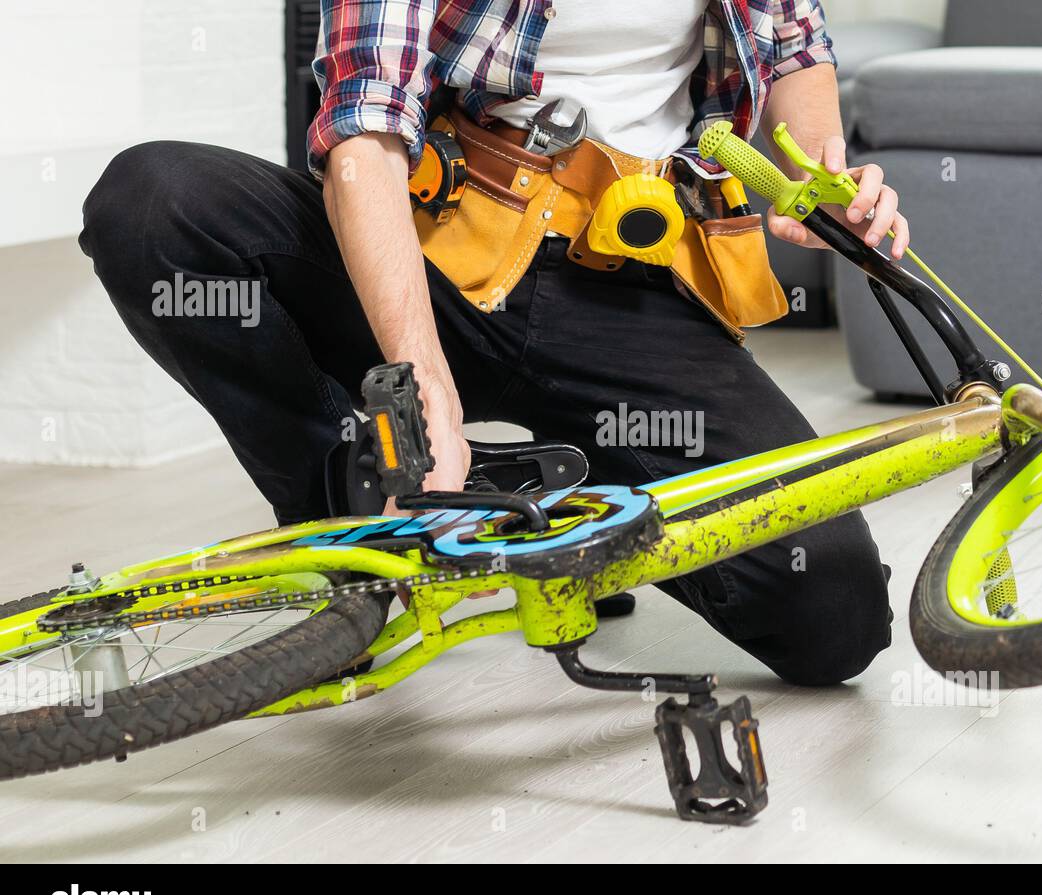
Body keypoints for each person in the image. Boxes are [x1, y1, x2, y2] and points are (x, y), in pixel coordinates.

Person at [79, 0, 910, 686]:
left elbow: (794, 45)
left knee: (831, 621)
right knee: (157, 204)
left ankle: (574, 511)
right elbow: (365, 136)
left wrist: (820, 187)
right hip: (432, 251)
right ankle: (347, 521)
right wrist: (418, 385)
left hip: (632, 284)